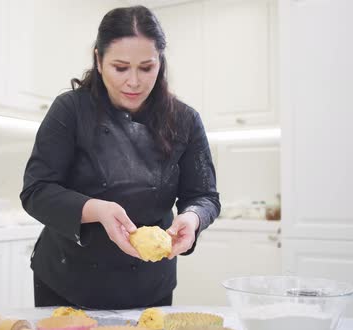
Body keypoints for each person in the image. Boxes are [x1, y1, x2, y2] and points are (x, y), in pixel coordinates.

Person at [20, 5, 220, 309]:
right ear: (99, 61)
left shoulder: (185, 120)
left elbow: (205, 196)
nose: (134, 82)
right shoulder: (71, 110)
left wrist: (192, 219)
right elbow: (36, 191)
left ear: (160, 64)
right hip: (68, 279)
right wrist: (96, 209)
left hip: (149, 283)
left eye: (146, 67)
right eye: (121, 67)